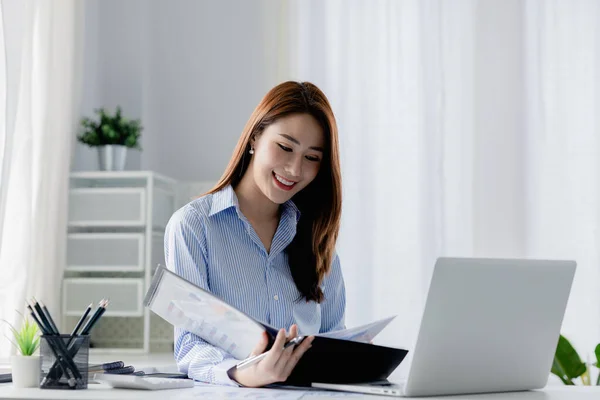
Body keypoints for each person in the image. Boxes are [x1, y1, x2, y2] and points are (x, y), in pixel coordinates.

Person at [164, 81, 345, 387]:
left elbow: (334, 337)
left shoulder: (316, 235)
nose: (294, 170)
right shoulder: (194, 226)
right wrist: (245, 374)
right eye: (285, 147)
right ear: (255, 137)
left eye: (312, 158)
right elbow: (189, 346)